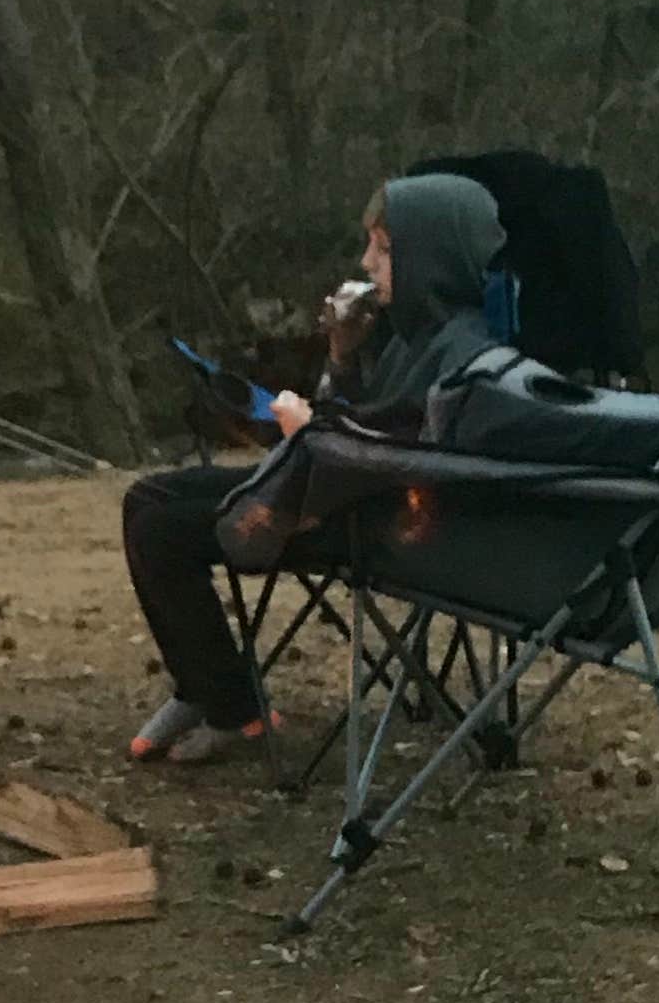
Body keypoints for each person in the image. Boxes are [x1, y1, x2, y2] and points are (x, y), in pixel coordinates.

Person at [123, 171, 508, 765]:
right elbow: (369, 416)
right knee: (147, 497)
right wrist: (343, 355)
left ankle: (230, 707)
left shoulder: (464, 354)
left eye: (383, 248)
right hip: (333, 489)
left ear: (433, 258)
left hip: (369, 524)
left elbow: (406, 456)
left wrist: (313, 432)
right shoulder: (417, 333)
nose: (366, 261)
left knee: (162, 530)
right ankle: (203, 688)